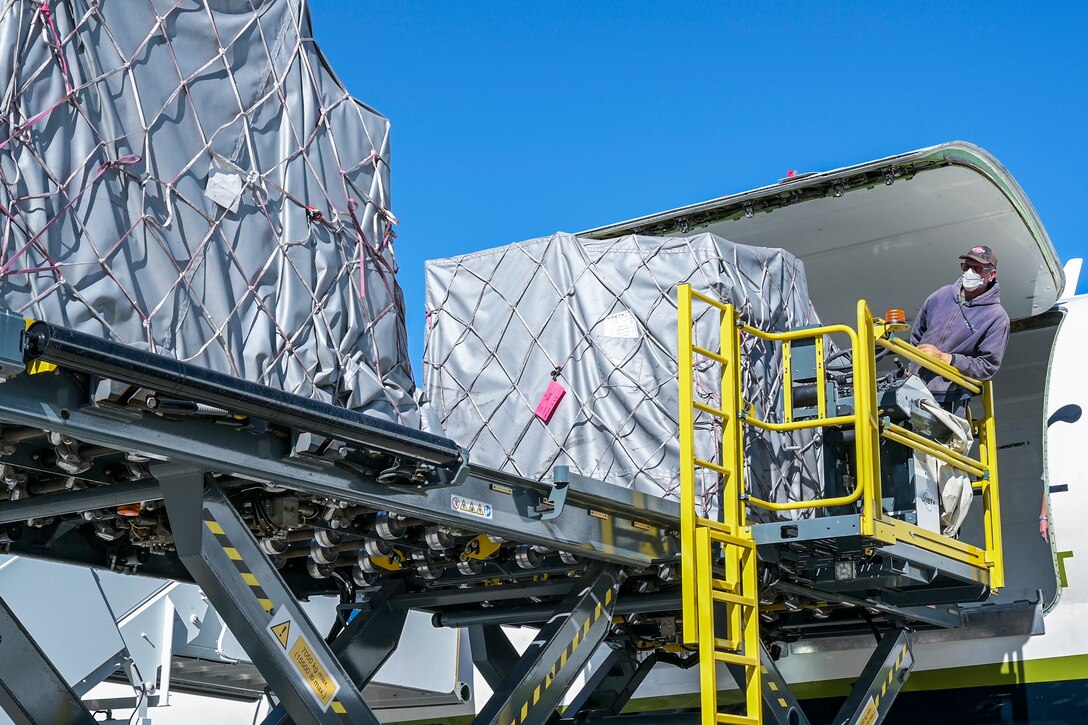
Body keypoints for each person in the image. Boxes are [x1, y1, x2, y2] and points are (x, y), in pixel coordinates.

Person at [909, 245, 1010, 417]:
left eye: (977, 268)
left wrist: (948, 359)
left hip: (948, 399)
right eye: (966, 266)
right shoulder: (940, 296)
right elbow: (917, 336)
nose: (969, 272)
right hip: (912, 387)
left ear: (991, 275)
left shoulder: (996, 317)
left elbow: (987, 366)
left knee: (937, 445)